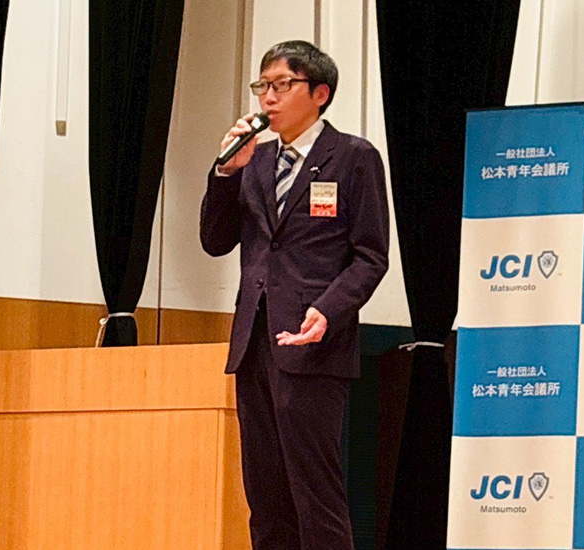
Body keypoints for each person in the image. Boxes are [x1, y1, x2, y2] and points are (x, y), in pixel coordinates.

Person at [200, 40, 389, 550]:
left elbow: (371, 256)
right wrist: (225, 172)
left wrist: (328, 309)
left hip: (314, 345)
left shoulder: (352, 157)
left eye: (282, 85)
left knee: (314, 493)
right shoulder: (255, 160)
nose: (268, 98)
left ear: (319, 93)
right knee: (264, 495)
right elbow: (215, 241)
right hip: (254, 344)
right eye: (262, 86)